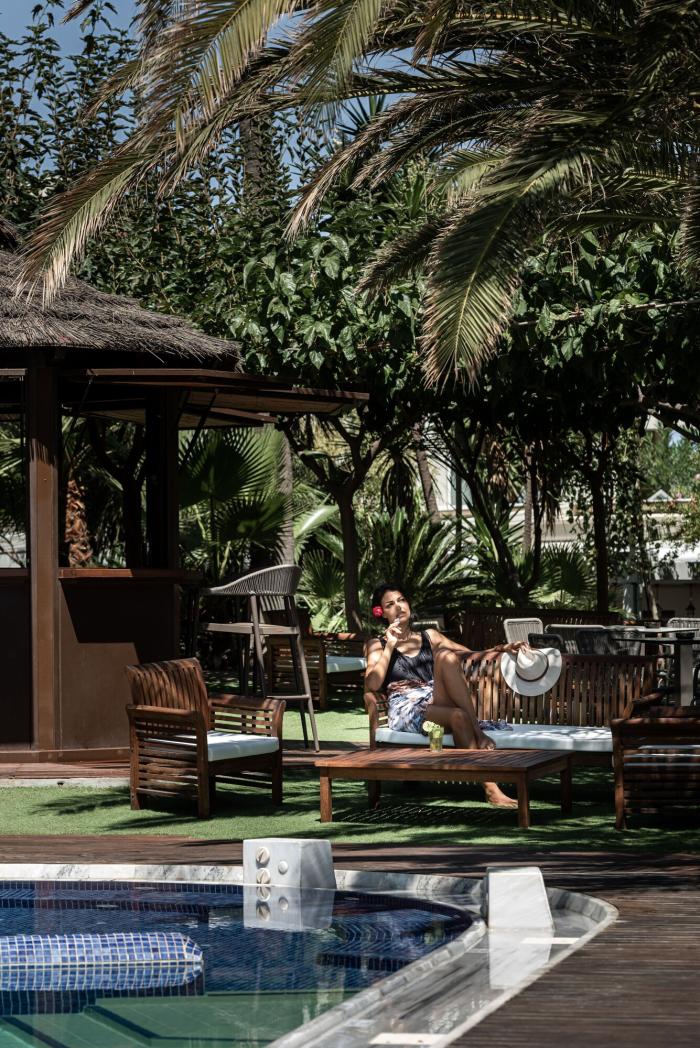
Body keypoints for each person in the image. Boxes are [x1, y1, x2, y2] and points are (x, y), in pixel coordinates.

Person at [364, 582, 519, 808]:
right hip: (407, 708)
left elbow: (469, 654)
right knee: (458, 717)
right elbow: (372, 684)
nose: (398, 607)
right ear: (381, 613)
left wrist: (501, 649)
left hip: (433, 697)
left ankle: (477, 732)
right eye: (390, 604)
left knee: (446, 655)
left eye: (401, 600)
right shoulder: (376, 644)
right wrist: (390, 645)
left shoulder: (430, 636)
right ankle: (491, 789)